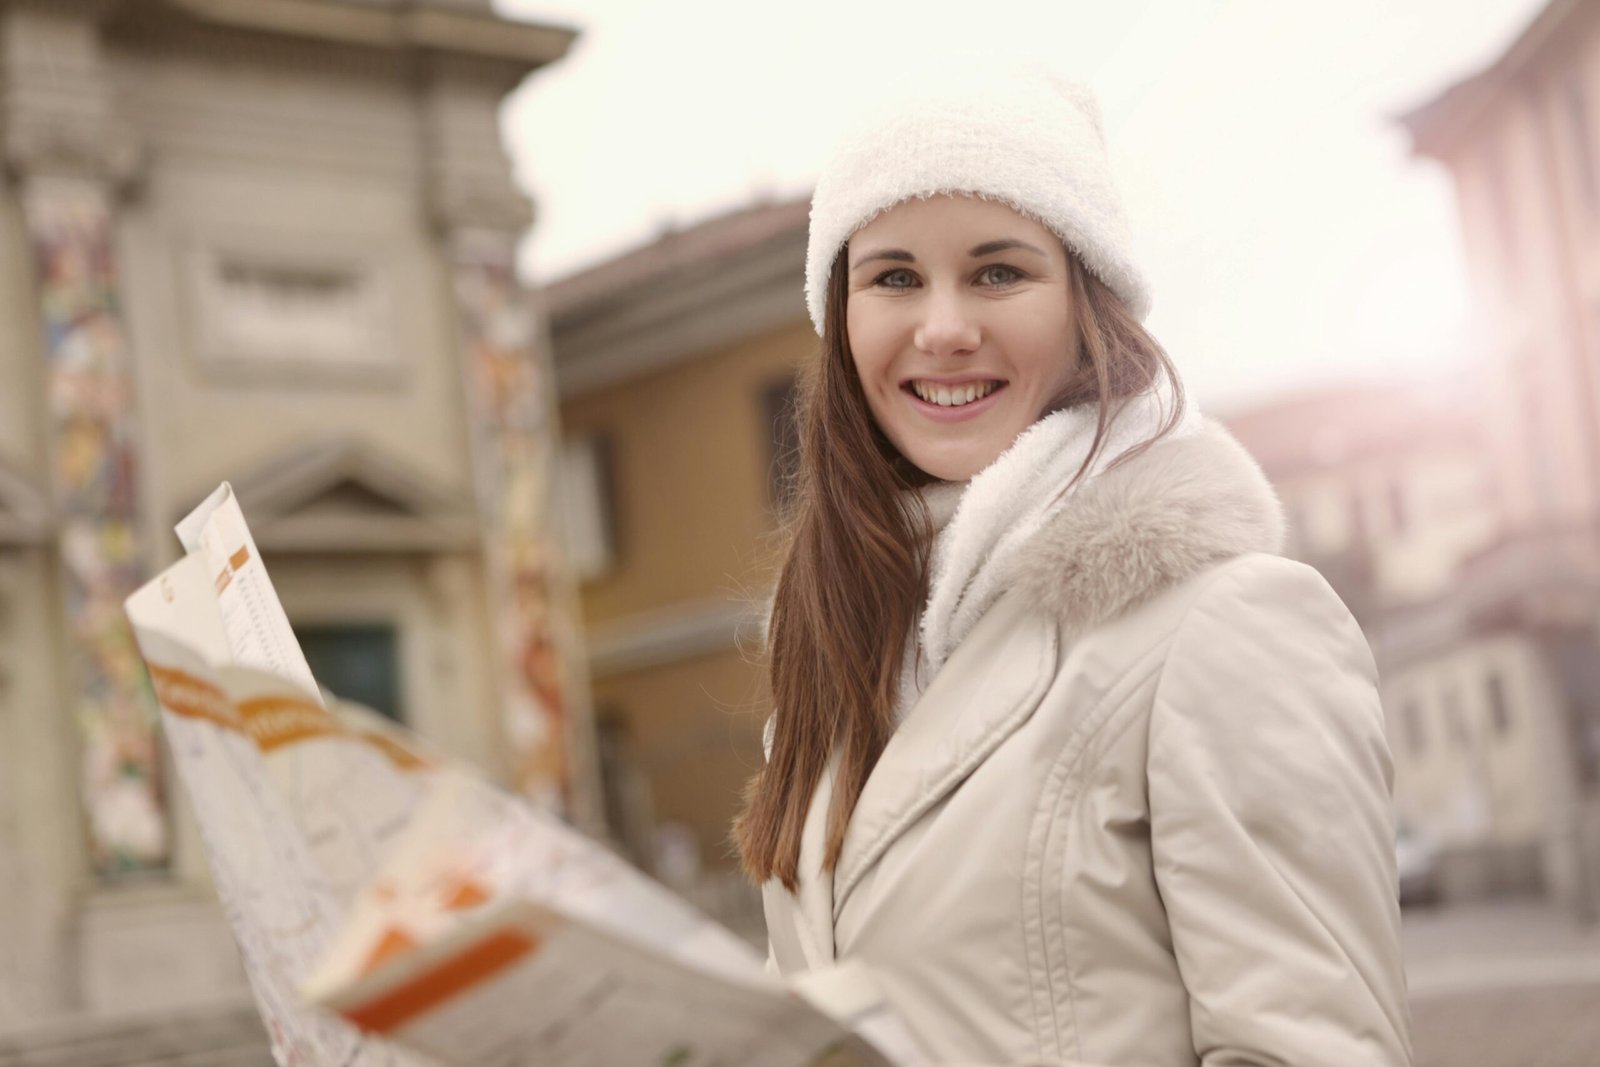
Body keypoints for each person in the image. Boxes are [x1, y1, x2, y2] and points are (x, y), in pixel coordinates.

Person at [732, 69, 1414, 1067]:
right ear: (842, 320)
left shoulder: (1224, 624)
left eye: (999, 271)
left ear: (1088, 301)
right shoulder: (838, 670)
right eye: (893, 277)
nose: (943, 325)